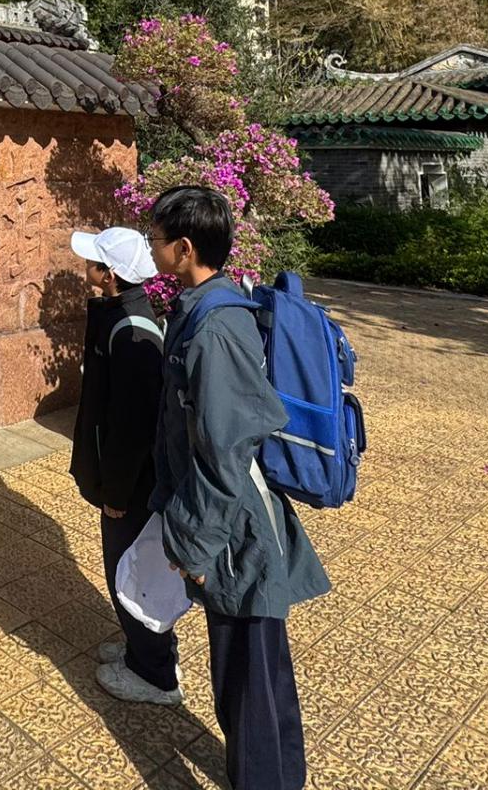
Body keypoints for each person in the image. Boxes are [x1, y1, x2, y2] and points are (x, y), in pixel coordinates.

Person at [146, 186, 331, 790]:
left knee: (246, 676)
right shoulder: (208, 305)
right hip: (233, 517)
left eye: (155, 237)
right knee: (261, 665)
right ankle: (283, 774)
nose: (150, 246)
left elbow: (224, 452)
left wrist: (197, 548)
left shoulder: (215, 330)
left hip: (235, 527)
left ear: (184, 248)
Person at [67, 225, 179, 706]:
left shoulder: (132, 333)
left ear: (109, 275)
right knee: (130, 566)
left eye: (93, 261)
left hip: (132, 486)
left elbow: (132, 429)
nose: (85, 266)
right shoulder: (119, 313)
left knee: (130, 569)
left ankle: (155, 674)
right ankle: (143, 649)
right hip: (126, 480)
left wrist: (115, 493)